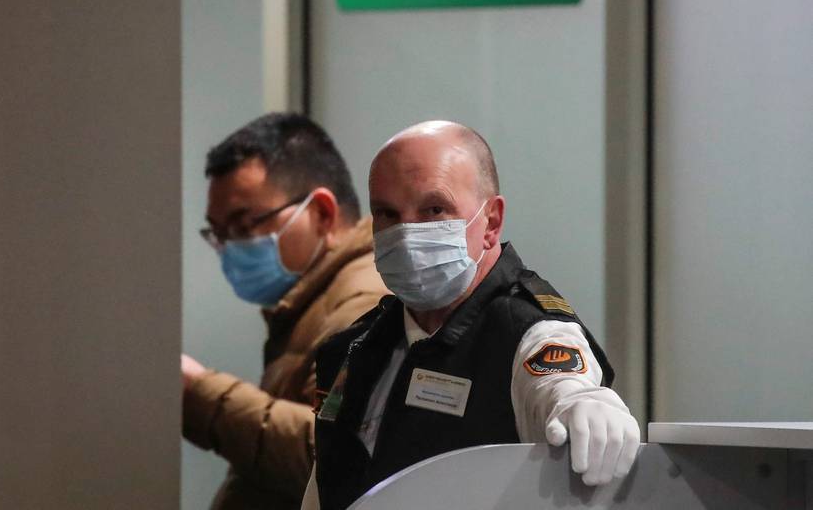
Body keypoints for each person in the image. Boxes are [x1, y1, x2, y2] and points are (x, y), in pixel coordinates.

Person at [303, 120, 640, 510]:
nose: (407, 234)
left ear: (491, 221)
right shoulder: (359, 346)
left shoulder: (524, 332)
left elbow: (560, 386)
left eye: (434, 209)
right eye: (388, 213)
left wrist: (586, 405)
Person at [182, 113, 388, 510]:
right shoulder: (310, 303)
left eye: (243, 226)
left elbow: (328, 456)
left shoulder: (362, 302)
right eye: (219, 234)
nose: (229, 249)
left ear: (322, 213)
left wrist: (200, 393)